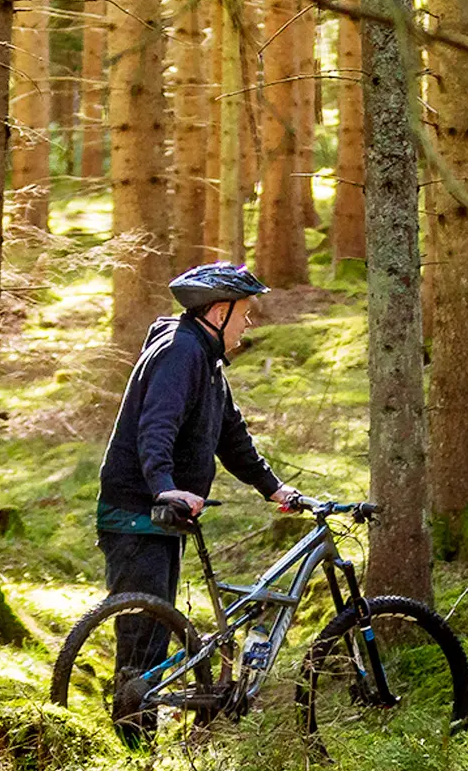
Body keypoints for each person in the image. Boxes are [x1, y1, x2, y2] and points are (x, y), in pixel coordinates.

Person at [95, 262, 308, 727]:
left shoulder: (206, 362)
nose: (247, 322)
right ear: (217, 312)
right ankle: (133, 746)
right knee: (143, 641)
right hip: (137, 512)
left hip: (160, 515)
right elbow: (156, 425)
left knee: (154, 631)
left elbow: (232, 437)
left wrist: (273, 488)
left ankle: (140, 738)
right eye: (243, 312)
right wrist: (164, 488)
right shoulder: (180, 352)